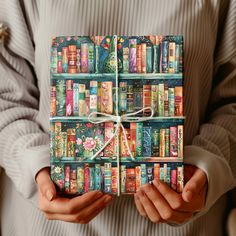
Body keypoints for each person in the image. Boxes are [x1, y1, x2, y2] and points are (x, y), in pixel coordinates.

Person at [0, 0, 235, 235]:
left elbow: (231, 98)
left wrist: (208, 166)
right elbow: (5, 95)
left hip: (188, 228)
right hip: (44, 227)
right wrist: (35, 166)